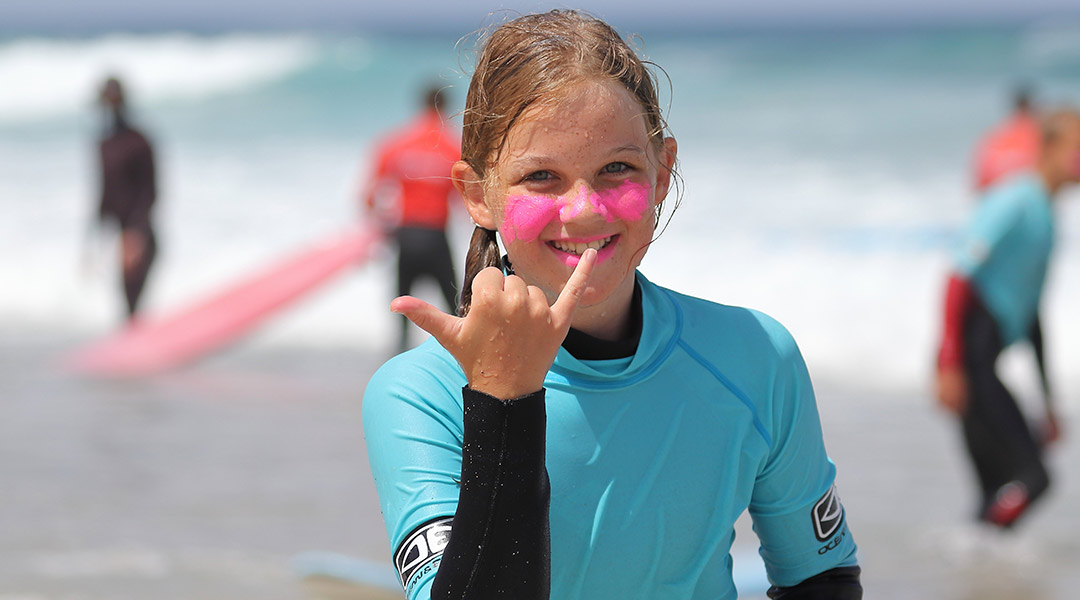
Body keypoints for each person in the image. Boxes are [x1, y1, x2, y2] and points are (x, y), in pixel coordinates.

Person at [363, 10, 861, 600]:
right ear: (477, 194)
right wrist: (504, 400)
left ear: (661, 173)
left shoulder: (754, 356)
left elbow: (821, 579)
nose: (584, 210)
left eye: (616, 169)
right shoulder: (421, 395)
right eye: (541, 176)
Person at [936, 108, 1080, 529]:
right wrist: (949, 362)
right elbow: (958, 275)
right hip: (968, 359)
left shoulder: (1046, 214)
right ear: (1049, 148)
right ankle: (979, 544)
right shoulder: (1015, 200)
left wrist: (1047, 402)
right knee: (1034, 478)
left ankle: (975, 556)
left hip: (982, 361)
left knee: (998, 485)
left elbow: (1032, 319)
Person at [362, 85, 461, 353]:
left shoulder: (396, 143)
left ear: (421, 104)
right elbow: (467, 202)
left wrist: (380, 229)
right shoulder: (453, 147)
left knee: (402, 312)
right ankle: (461, 365)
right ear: (445, 108)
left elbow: (369, 196)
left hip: (405, 236)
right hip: (437, 237)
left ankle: (398, 362)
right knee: (456, 313)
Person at [96, 76, 158, 321]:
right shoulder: (104, 143)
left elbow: (150, 191)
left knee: (133, 301)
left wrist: (136, 233)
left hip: (140, 233)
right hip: (119, 233)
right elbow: (103, 191)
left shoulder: (139, 142)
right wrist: (94, 235)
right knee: (127, 306)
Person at [973, 85, 1040, 193]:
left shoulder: (998, 135)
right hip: (1022, 192)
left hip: (992, 192)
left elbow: (980, 175)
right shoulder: (1036, 134)